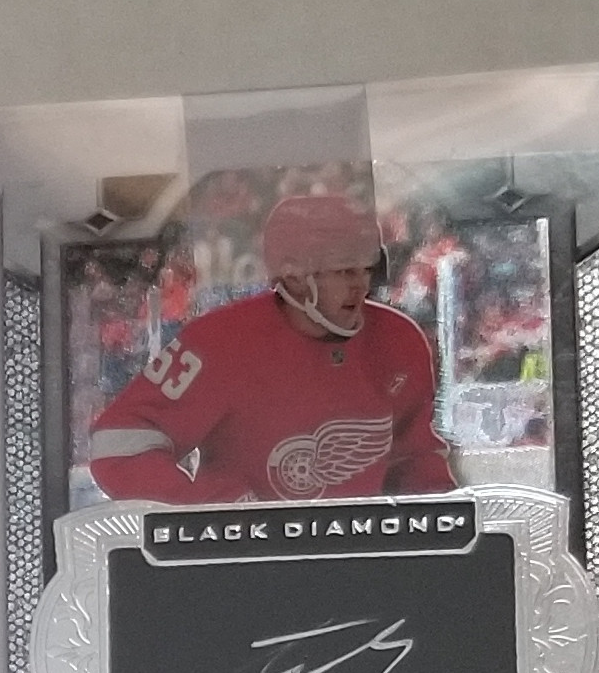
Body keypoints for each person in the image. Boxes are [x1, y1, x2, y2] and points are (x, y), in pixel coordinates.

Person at [87, 190, 456, 506]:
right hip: (246, 558)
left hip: (359, 553)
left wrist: (435, 525)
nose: (361, 285)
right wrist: (203, 511)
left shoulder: (399, 339)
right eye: (344, 270)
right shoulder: (222, 341)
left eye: (367, 269)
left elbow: (416, 460)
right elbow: (120, 442)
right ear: (293, 274)